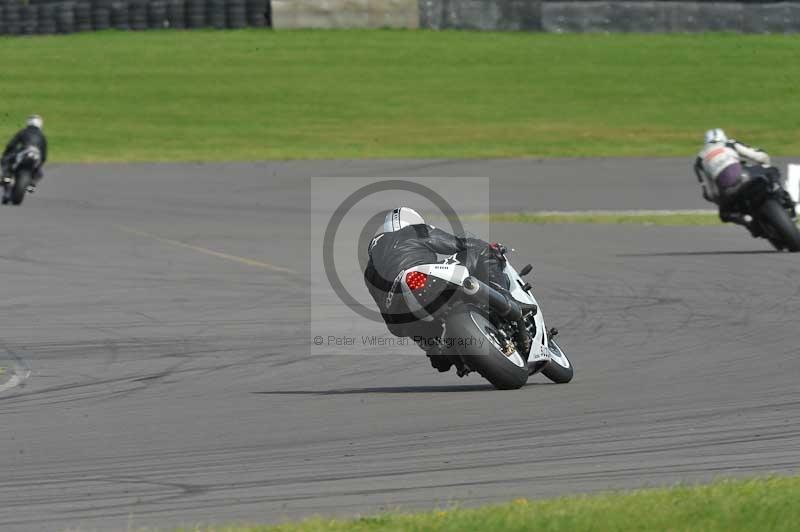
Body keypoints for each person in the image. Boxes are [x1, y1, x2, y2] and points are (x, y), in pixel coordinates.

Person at [364, 207, 530, 373]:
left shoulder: (369, 271)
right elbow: (458, 244)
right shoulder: (415, 230)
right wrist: (490, 247)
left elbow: (392, 324)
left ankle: (436, 350)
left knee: (433, 351)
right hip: (422, 281)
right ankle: (507, 299)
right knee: (482, 252)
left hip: (400, 315)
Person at [694, 128, 776, 229]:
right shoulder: (730, 143)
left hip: (728, 192)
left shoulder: (699, 161)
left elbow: (709, 194)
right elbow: (760, 157)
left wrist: (722, 202)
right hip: (746, 176)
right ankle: (781, 196)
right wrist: (766, 163)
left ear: (706, 142)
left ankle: (749, 223)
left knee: (725, 215)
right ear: (723, 137)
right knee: (772, 171)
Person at [1, 115, 48, 193]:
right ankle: (32, 185)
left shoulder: (23, 132)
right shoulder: (42, 136)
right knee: (39, 172)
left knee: (6, 160)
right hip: (35, 156)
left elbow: (12, 144)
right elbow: (44, 153)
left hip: (24, 152)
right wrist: (41, 163)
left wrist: (6, 153)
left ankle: (6, 176)